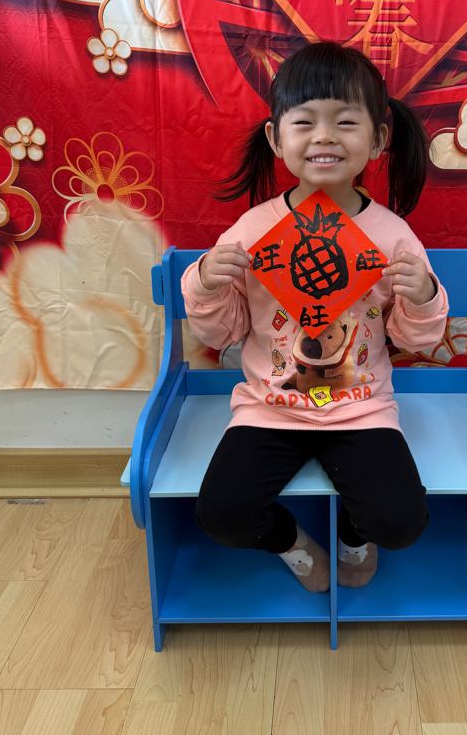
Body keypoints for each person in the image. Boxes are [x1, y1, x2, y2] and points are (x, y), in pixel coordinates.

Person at [181, 41, 449, 593]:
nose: (324, 136)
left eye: (345, 122)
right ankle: (292, 543)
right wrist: (205, 283)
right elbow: (225, 332)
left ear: (378, 139)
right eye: (304, 122)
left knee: (401, 522)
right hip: (268, 407)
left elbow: (415, 339)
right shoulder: (252, 230)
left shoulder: (394, 235)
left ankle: (352, 535)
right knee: (222, 514)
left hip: (361, 408)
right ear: (276, 138)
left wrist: (423, 297)